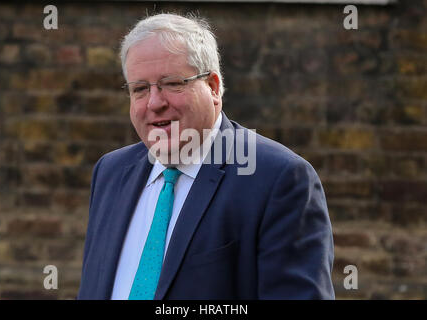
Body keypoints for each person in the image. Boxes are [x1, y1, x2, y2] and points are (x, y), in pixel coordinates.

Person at [77, 13, 335, 300]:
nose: (154, 103)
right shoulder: (110, 172)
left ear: (213, 87)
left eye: (172, 83)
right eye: (140, 89)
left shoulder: (279, 179)